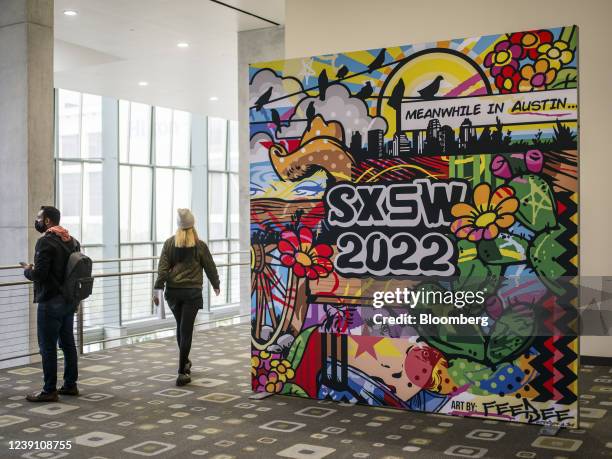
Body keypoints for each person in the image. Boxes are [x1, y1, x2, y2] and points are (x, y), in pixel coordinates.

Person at [153, 209, 220, 386]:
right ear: (193, 225)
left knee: (181, 327)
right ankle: (182, 371)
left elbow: (162, 269)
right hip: (192, 293)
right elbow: (209, 266)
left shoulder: (169, 244)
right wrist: (216, 284)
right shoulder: (199, 245)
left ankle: (186, 361)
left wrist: (157, 288)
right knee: (186, 330)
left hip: (173, 293)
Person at [23, 206, 80, 402]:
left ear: (47, 221)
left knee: (47, 347)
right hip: (69, 300)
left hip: (50, 302)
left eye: (38, 218)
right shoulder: (72, 241)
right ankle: (70, 385)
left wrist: (28, 271)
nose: (36, 221)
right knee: (68, 343)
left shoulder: (45, 242)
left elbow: (40, 274)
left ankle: (49, 390)